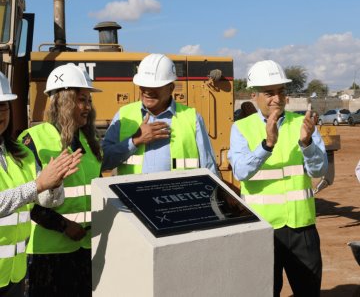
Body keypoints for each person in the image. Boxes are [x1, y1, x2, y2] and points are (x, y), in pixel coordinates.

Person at [228, 60, 328, 297]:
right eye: (269, 93)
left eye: (281, 92)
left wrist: (306, 144)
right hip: (262, 228)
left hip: (301, 228)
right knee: (264, 292)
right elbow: (241, 172)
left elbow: (318, 170)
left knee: (309, 292)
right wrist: (267, 145)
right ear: (254, 95)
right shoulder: (241, 128)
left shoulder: (302, 125)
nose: (276, 98)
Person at [19, 64, 102, 297]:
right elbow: (26, 198)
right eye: (80, 100)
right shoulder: (33, 140)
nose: (87, 107)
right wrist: (64, 226)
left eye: (88, 100)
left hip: (87, 248)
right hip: (49, 252)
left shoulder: (89, 140)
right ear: (62, 101)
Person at [0, 71, 81, 297]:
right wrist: (38, 184)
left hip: (13, 274)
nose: (0, 114)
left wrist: (55, 183)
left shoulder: (20, 153)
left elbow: (45, 202)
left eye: (3, 106)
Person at [102, 53, 218, 176]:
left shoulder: (192, 118)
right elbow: (104, 162)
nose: (147, 91)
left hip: (178, 194)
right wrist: (136, 140)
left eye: (154, 86)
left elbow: (208, 167)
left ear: (171, 88)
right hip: (133, 194)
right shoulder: (123, 115)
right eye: (143, 85)